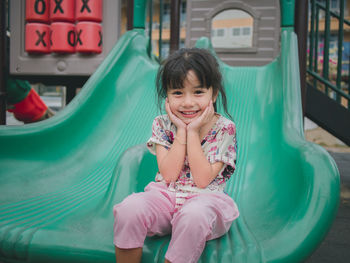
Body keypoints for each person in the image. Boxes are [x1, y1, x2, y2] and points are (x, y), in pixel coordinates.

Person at [113, 48, 239, 263]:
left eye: (198, 92)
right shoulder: (162, 124)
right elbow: (169, 175)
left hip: (205, 201)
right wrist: (181, 130)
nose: (188, 102)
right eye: (178, 93)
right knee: (129, 209)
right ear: (167, 96)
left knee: (193, 216)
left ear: (214, 93)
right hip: (166, 196)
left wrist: (193, 131)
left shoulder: (224, 128)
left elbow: (202, 179)